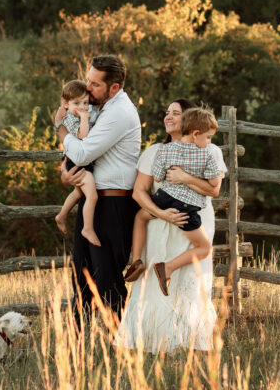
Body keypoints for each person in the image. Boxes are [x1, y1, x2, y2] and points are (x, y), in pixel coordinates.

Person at [116, 99, 225, 353]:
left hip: (193, 219)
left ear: (190, 120)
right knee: (156, 281)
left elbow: (214, 189)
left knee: (191, 280)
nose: (168, 117)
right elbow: (140, 191)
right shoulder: (156, 150)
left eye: (175, 113)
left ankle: (189, 339)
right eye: (167, 113)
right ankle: (152, 338)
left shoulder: (211, 150)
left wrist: (184, 178)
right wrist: (162, 214)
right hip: (162, 221)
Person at [60, 55, 142, 324]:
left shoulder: (120, 112)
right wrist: (66, 171)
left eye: (95, 84)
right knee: (81, 277)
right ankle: (75, 346)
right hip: (93, 201)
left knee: (108, 281)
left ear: (114, 87)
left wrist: (62, 133)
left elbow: (82, 153)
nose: (87, 88)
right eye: (88, 80)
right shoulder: (99, 107)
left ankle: (122, 344)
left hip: (114, 206)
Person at [123, 108, 220, 295]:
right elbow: (214, 184)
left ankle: (136, 260)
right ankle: (167, 268)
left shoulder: (165, 149)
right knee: (204, 248)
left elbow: (158, 177)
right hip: (185, 206)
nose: (209, 142)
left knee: (140, 217)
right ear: (196, 134)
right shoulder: (207, 154)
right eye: (208, 137)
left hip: (164, 199)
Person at [53, 80, 101, 246]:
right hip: (75, 162)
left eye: (85, 103)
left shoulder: (77, 115)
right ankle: (87, 228)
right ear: (66, 104)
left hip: (78, 161)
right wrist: (84, 118)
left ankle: (61, 215)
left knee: (79, 193)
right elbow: (82, 136)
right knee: (92, 195)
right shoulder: (71, 119)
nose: (82, 107)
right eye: (77, 103)